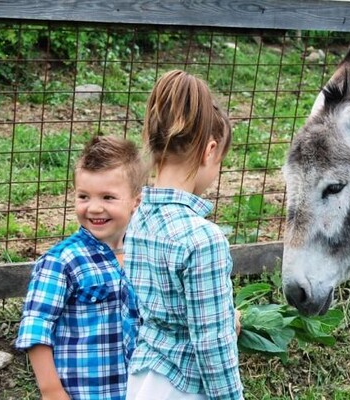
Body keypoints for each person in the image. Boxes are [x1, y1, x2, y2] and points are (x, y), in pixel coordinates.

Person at [124, 70, 243, 400]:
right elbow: (212, 344)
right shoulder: (204, 240)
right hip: (184, 387)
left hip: (142, 380)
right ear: (209, 151)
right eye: (220, 162)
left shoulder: (135, 219)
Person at [15, 135, 145, 400]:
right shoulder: (62, 261)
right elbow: (36, 325)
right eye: (84, 196)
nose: (94, 208)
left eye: (108, 197)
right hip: (84, 393)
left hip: (139, 390)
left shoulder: (145, 255)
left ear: (136, 201)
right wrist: (51, 391)